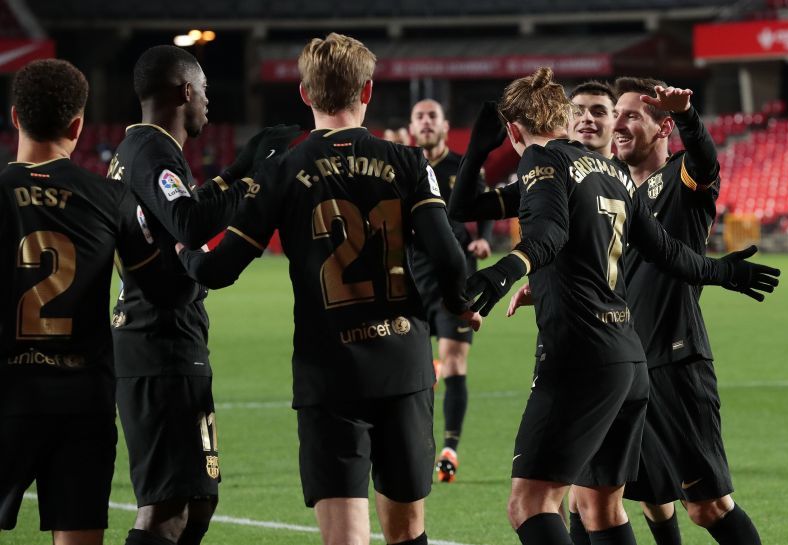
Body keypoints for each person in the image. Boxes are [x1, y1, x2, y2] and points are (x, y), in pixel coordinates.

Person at [449, 68, 779, 545]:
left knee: (541, 504)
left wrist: (507, 269)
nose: (606, 122)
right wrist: (724, 272)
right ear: (565, 117)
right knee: (601, 503)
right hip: (628, 356)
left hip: (624, 355)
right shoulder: (617, 177)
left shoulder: (561, 163)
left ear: (515, 132)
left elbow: (548, 233)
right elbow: (656, 253)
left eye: (615, 113)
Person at [175, 33, 480, 545]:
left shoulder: (281, 170)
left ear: (304, 95)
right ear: (367, 91)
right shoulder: (409, 163)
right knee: (408, 533)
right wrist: (459, 305)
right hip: (402, 364)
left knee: (345, 538)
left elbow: (216, 270)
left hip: (328, 372)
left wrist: (181, 254)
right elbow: (449, 257)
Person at [109, 45, 298, 545]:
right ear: (186, 91)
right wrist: (255, 179)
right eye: (206, 91)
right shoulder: (151, 151)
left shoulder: (144, 152)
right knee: (167, 510)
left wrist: (234, 172)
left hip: (168, 343)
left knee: (197, 502)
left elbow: (183, 208)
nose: (210, 103)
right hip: (159, 344)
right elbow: (189, 223)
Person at [0, 59, 161, 545]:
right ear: (77, 125)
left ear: (14, 118)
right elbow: (159, 286)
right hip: (82, 400)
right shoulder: (110, 197)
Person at [610, 78, 764, 545]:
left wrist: (692, 121)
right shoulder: (612, 193)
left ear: (663, 128)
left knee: (708, 507)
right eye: (616, 113)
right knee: (629, 496)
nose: (618, 123)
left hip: (674, 360)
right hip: (622, 363)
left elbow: (705, 162)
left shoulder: (681, 178)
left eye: (632, 115)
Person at [407, 98, 493, 482]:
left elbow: (486, 203)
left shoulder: (462, 166)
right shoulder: (405, 165)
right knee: (411, 366)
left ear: (444, 126)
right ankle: (413, 444)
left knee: (455, 362)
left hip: (455, 277)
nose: (426, 123)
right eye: (419, 117)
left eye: (432, 117)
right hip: (410, 277)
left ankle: (449, 449)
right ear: (412, 126)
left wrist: (484, 238)